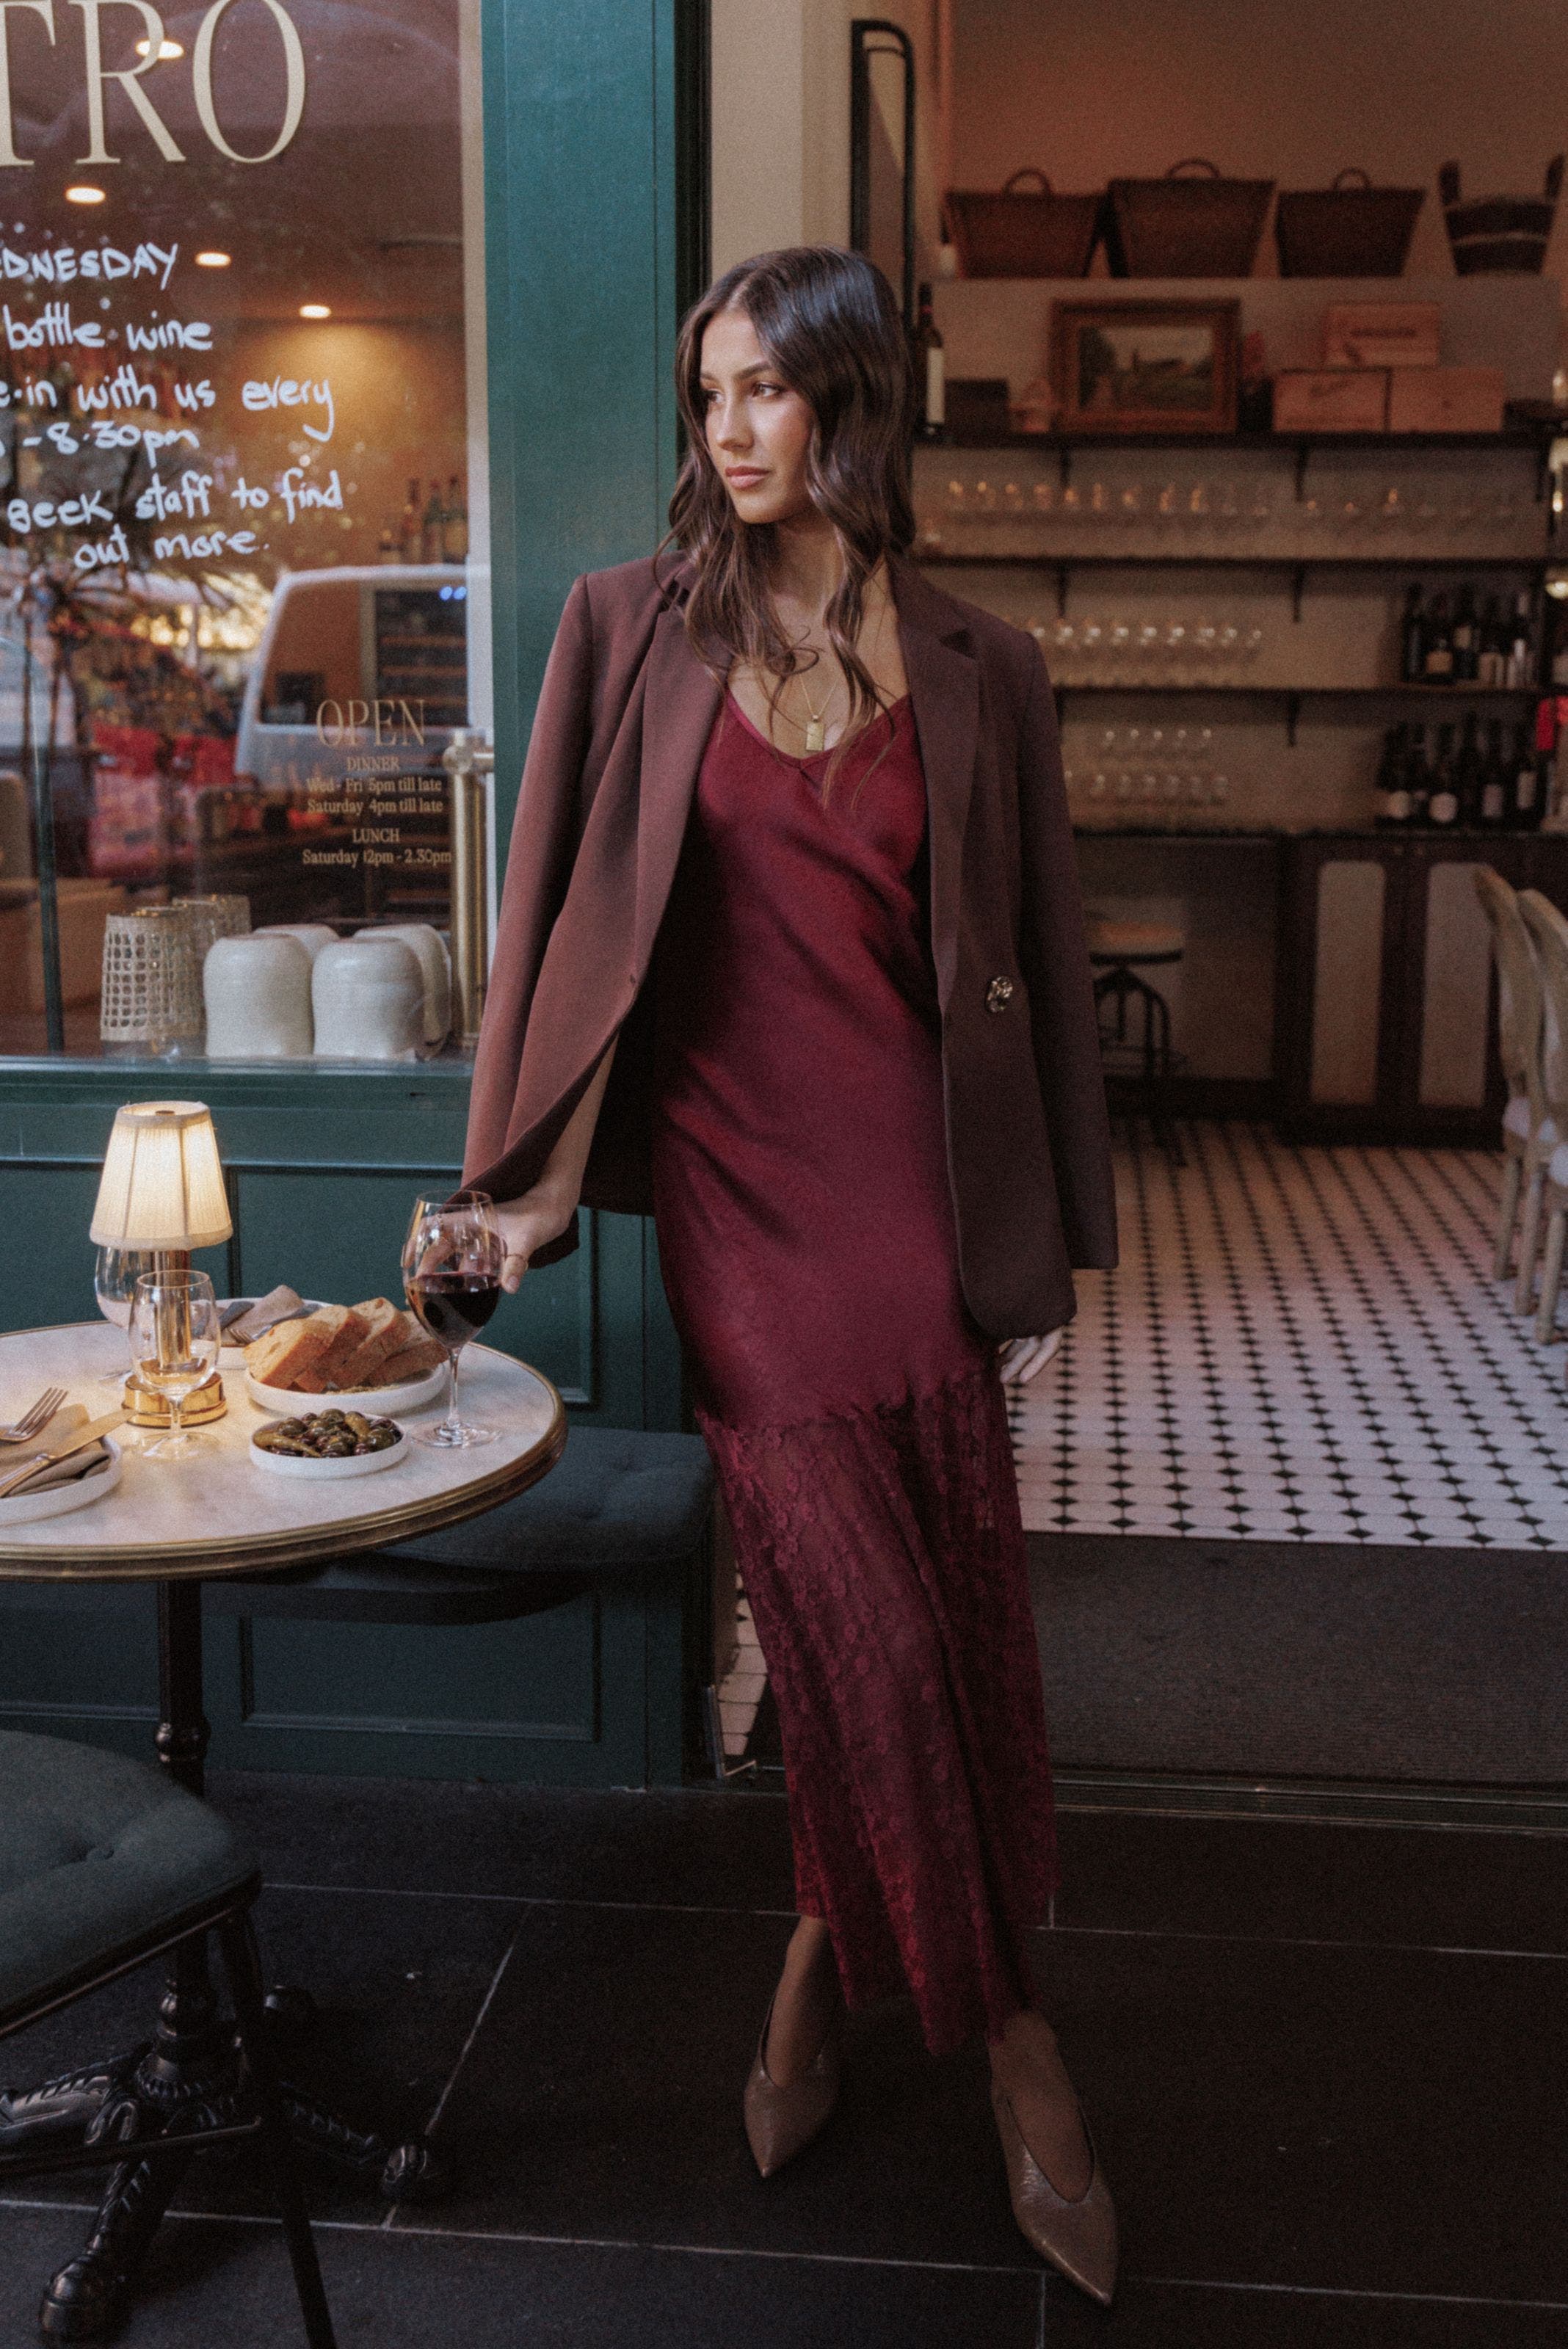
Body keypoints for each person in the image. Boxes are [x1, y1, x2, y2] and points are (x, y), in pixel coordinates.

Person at [462, 246, 1119, 2302]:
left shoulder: (983, 665)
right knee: (882, 1650)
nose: (729, 430)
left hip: (918, 1212)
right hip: (746, 1225)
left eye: (765, 390)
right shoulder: (622, 633)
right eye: (708, 394)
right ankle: (1020, 2052)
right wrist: (522, 1185)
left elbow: (1030, 976)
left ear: (849, 401)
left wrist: (1053, 1227)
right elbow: (554, 930)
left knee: (931, 1637)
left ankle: (817, 1975)